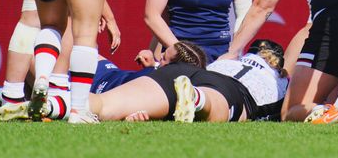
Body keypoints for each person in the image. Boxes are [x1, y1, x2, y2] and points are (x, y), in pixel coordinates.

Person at [0, 41, 206, 120]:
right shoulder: (160, 78)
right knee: (39, 57)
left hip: (98, 86)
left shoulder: (167, 84)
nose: (158, 60)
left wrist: (143, 115)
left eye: (163, 59)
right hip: (102, 74)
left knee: (43, 99)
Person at [83, 40, 288, 122]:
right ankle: (196, 99)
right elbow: (290, 109)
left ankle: (60, 104)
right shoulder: (281, 79)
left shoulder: (229, 59)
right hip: (230, 90)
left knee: (103, 106)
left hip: (187, 72)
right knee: (216, 105)